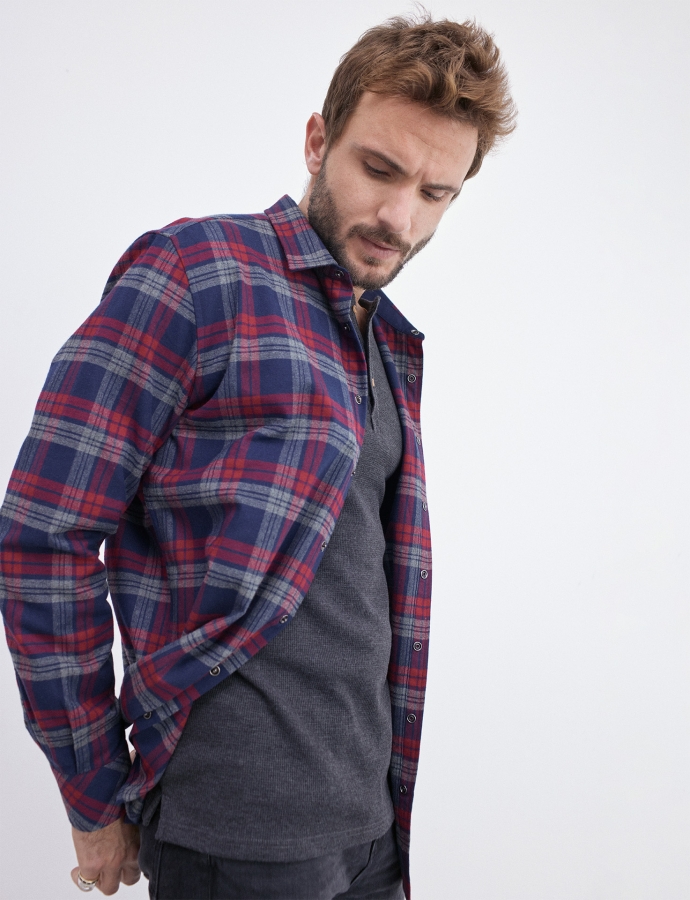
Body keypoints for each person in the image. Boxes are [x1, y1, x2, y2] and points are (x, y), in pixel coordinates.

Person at [0, 13, 515, 900]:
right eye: (379, 169)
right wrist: (93, 794)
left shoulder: (382, 337)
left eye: (435, 192)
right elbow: (45, 534)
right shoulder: (196, 276)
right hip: (239, 838)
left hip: (372, 827)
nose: (399, 217)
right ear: (318, 141)